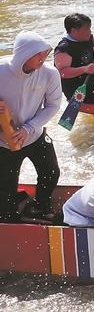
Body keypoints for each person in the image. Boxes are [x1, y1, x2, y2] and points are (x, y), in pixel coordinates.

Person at [0, 31, 61, 222]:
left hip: (34, 134)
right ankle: (9, 213)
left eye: (45, 53)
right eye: (37, 54)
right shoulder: (1, 70)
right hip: (4, 141)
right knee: (6, 192)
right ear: (23, 54)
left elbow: (53, 106)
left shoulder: (50, 73)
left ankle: (41, 206)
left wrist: (29, 128)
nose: (43, 58)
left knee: (51, 173)